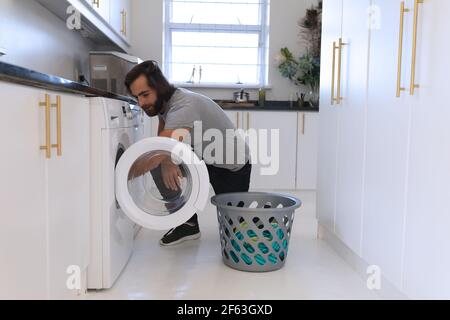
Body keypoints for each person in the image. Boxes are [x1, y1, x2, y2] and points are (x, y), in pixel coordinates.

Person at [124, 60, 252, 246]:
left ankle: (242, 221)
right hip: (203, 157)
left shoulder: (184, 105)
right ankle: (187, 224)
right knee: (160, 162)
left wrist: (123, 174)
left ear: (159, 88)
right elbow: (162, 137)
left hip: (232, 165)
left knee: (235, 232)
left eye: (145, 95)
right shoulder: (164, 103)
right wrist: (167, 162)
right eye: (137, 97)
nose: (141, 103)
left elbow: (159, 149)